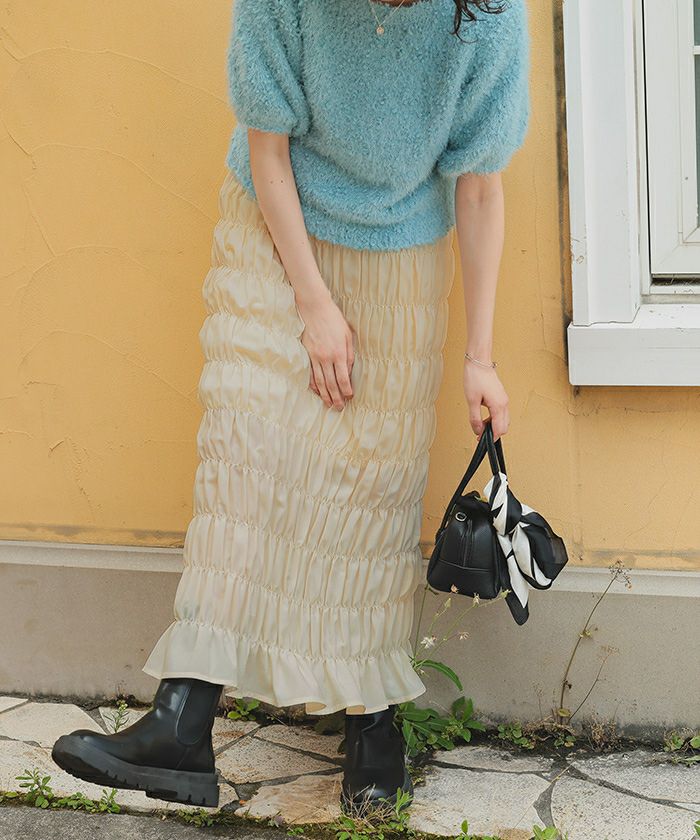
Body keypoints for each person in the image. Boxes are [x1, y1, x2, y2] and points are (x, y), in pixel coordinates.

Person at [52, 0, 529, 815]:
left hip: (398, 257)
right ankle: (181, 722)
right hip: (275, 232)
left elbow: (479, 188)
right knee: (246, 453)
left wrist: (479, 360)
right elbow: (266, 146)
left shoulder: (488, 14)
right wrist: (313, 304)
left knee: (368, 484)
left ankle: (372, 724)